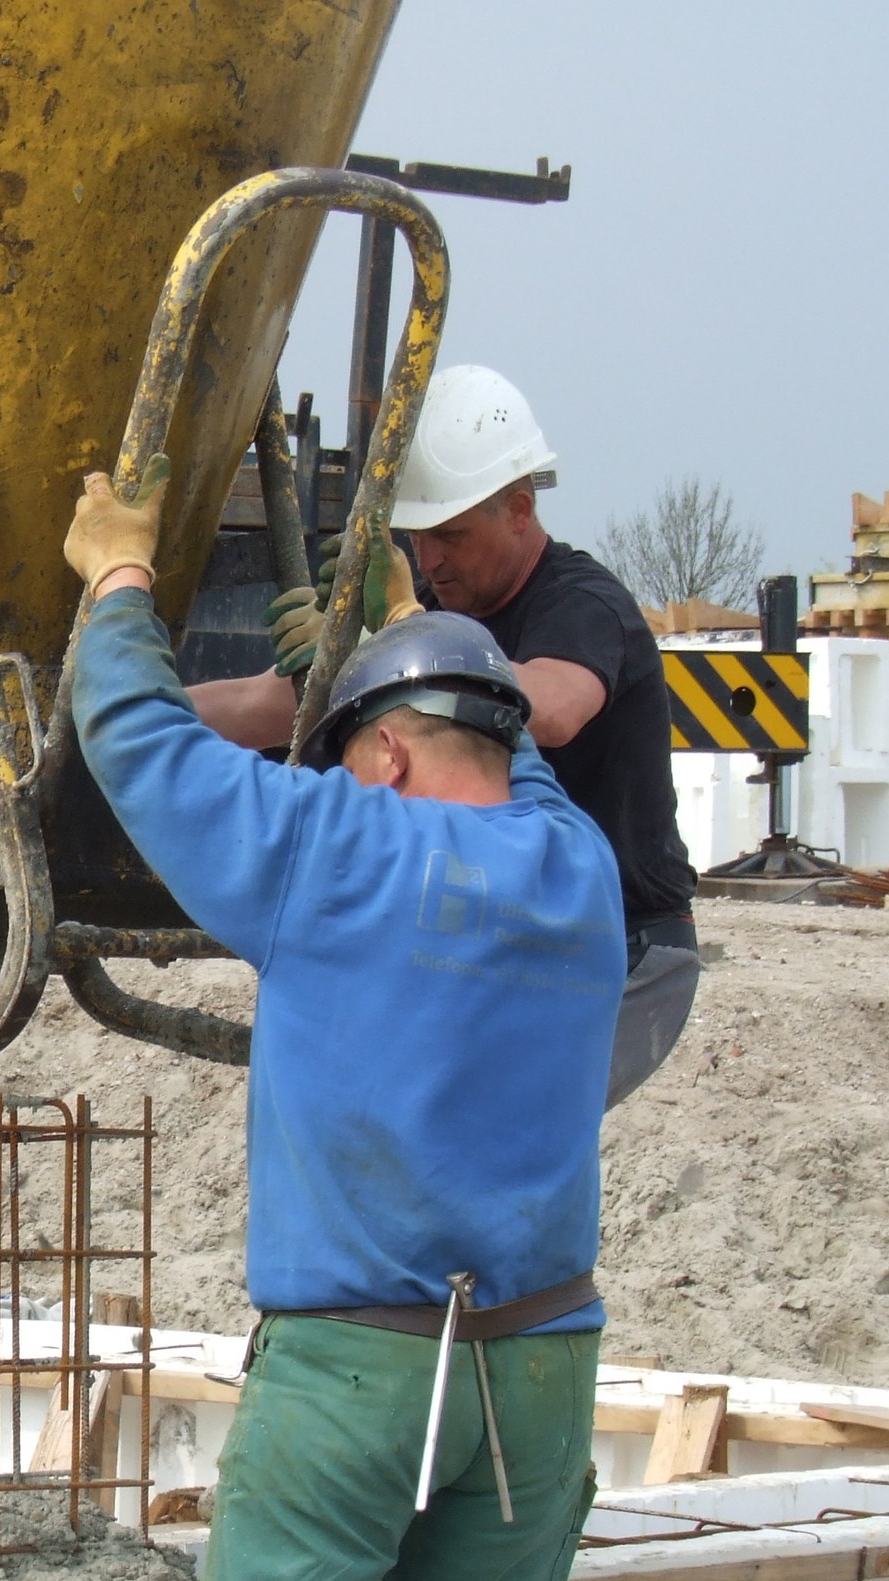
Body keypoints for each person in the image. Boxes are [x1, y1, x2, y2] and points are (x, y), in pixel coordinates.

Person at [61, 465, 622, 1581]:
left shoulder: (331, 850)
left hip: (361, 1375)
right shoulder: (574, 872)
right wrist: (412, 628)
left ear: (373, 753)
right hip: (538, 1366)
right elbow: (498, 766)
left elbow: (146, 752)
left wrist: (115, 585)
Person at [190, 365, 699, 1104]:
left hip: (627, 953)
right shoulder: (427, 604)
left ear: (519, 512)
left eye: (451, 537)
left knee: (498, 1132)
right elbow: (264, 704)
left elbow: (553, 710)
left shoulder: (583, 605)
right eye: (418, 539)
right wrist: (124, 705)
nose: (429, 561)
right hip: (506, 938)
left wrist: (404, 633)